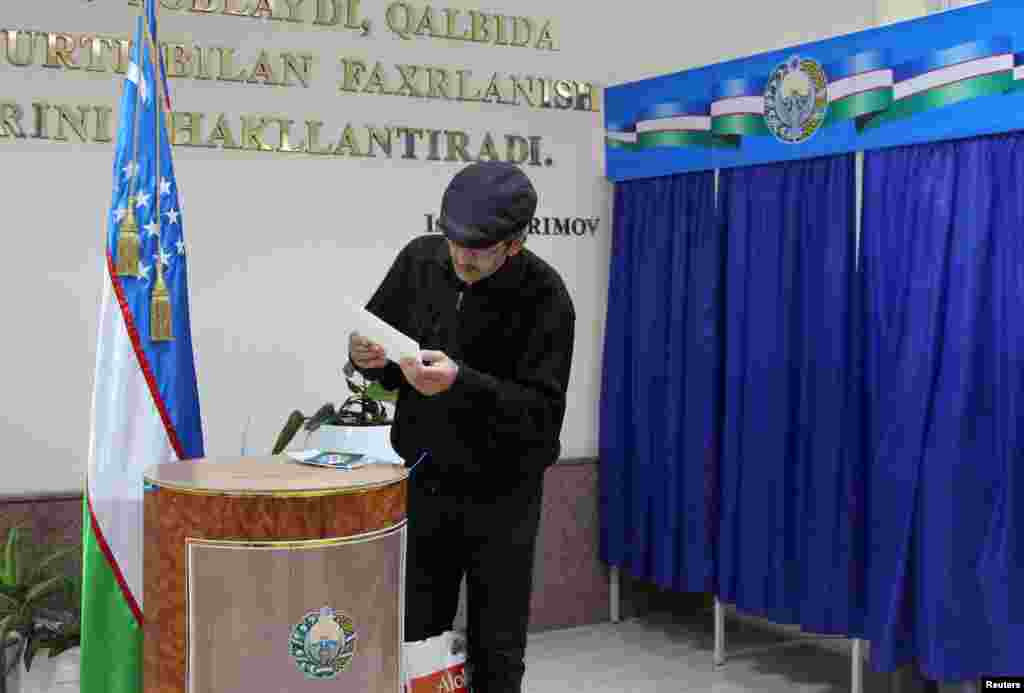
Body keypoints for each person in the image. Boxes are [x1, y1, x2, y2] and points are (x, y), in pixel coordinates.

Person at [347, 161, 575, 693]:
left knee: (497, 645)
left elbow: (542, 418)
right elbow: (379, 346)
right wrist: (365, 356)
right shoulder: (419, 260)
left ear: (515, 242)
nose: (461, 257)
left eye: (478, 247)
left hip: (504, 495)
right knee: (417, 634)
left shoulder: (547, 295)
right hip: (425, 481)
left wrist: (461, 383)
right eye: (454, 240)